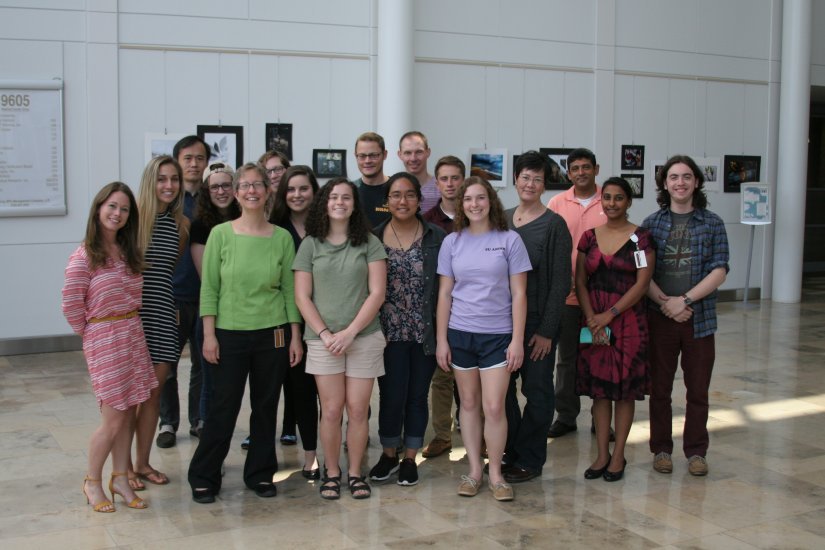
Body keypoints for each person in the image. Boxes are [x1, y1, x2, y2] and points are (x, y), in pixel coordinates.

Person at [188, 162, 302, 503]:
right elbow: (210, 288)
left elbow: (289, 290)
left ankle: (260, 473)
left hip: (273, 334)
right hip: (229, 334)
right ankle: (204, 475)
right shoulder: (220, 235)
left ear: (268, 191)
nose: (252, 191)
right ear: (236, 193)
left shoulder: (282, 238)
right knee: (223, 407)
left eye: (258, 185)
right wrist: (209, 335)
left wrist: (295, 335)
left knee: (266, 407)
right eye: (245, 185)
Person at [436, 176, 531, 502]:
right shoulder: (452, 242)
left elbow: (519, 294)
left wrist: (517, 340)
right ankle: (475, 471)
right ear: (460, 205)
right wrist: (442, 340)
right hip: (460, 334)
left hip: (497, 337)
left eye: (480, 198)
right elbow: (444, 294)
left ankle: (496, 475)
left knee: (493, 406)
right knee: (469, 404)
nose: (474, 204)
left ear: (491, 201)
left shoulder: (509, 240)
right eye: (467, 199)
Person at [62, 182, 155, 513]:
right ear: (99, 209)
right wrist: (93, 337)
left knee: (128, 413)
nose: (118, 213)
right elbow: (71, 306)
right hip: (105, 338)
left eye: (124, 209)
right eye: (112, 206)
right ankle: (92, 481)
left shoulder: (126, 251)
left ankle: (120, 478)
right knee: (113, 419)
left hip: (132, 333)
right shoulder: (84, 256)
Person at [293, 177, 387, 500]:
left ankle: (356, 473)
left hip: (364, 337)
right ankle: (332, 473)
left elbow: (377, 293)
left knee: (358, 411)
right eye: (333, 197)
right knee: (331, 411)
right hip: (323, 341)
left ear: (354, 204)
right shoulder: (310, 244)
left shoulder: (370, 243)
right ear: (324, 203)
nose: (340, 202)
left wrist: (349, 333)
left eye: (346, 197)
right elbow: (302, 297)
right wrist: (325, 333)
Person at [642, 155, 729, 477]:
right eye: (674, 177)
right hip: (660, 317)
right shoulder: (651, 224)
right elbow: (642, 271)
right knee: (660, 389)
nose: (680, 182)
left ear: (696, 182)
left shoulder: (713, 223)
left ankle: (696, 452)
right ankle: (661, 449)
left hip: (699, 318)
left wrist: (685, 300)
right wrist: (665, 302)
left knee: (698, 390)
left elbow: (719, 270)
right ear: (665, 184)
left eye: (687, 177)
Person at [369, 172, 446, 486]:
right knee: (390, 395)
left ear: (419, 199)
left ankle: (411, 458)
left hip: (424, 331)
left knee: (417, 396)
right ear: (387, 201)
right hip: (387, 333)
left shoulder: (437, 236)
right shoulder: (373, 237)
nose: (403, 201)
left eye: (410, 194)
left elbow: (446, 288)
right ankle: (389, 454)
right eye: (396, 195)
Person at [576, 177, 654, 482]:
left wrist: (610, 314)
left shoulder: (641, 239)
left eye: (618, 198)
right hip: (594, 322)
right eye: (607, 197)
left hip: (628, 322)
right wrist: (591, 318)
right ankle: (601, 455)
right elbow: (580, 281)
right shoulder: (588, 237)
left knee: (624, 392)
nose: (611, 203)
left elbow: (642, 284)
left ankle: (618, 454)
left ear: (628, 202)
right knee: (599, 392)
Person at [503, 151, 572, 483]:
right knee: (501, 392)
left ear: (545, 185)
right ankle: (510, 450)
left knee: (538, 391)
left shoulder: (554, 225)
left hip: (537, 325)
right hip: (501, 322)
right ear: (515, 179)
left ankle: (530, 459)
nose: (530, 184)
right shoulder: (501, 219)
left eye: (537, 179)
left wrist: (546, 330)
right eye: (525, 177)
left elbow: (561, 282)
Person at [132, 155, 189, 487]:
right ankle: (123, 468)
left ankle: (142, 464)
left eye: (174, 179)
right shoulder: (132, 218)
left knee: (154, 393)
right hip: (132, 316)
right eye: (162, 179)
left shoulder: (181, 224)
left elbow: (168, 271)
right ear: (150, 181)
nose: (169, 185)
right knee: (129, 400)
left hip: (163, 314)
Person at [546, 148, 606, 438]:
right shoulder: (557, 203)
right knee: (567, 358)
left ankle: (601, 417)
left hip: (602, 299)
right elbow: (550, 247)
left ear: (596, 169)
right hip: (567, 296)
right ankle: (566, 415)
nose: (581, 172)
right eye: (575, 168)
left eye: (586, 167)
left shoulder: (609, 199)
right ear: (568, 173)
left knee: (600, 355)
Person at [157, 135, 211, 450]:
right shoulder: (167, 200)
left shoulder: (211, 198)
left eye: (199, 158)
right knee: (167, 363)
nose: (194, 164)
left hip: (205, 296)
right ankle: (167, 422)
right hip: (173, 296)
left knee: (203, 364)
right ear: (178, 160)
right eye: (188, 158)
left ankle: (199, 419)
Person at [269, 165, 322, 479]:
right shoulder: (274, 229)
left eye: (304, 188)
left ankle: (332, 448)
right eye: (291, 189)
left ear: (314, 191)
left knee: (329, 394)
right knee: (300, 391)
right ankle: (310, 456)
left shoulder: (327, 226)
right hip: (287, 322)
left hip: (327, 320)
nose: (297, 195)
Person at [189, 162, 240, 429]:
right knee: (211, 379)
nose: (221, 191)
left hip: (244, 313)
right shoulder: (201, 225)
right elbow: (207, 277)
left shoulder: (247, 218)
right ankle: (206, 428)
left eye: (226, 185)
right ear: (207, 192)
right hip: (214, 311)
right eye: (215, 187)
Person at [421, 155, 465, 458]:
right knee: (442, 375)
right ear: (437, 184)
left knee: (473, 376)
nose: (450, 184)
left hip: (474, 306)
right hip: (441, 306)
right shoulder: (428, 221)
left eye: (455, 178)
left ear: (463, 180)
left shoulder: (476, 215)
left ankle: (479, 434)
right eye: (444, 179)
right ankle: (442, 435)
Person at [353, 132, 390, 227]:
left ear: (384, 155)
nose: (367, 161)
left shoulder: (396, 189)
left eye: (373, 155)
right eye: (362, 156)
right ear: (356, 156)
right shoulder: (350, 191)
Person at [398, 131, 439, 213]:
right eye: (408, 153)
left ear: (428, 152)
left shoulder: (441, 188)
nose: (413, 158)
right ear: (400, 155)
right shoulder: (393, 189)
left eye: (419, 152)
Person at [260, 149, 291, 218]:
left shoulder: (296, 199)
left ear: (288, 170)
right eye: (268, 172)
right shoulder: (258, 206)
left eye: (278, 169)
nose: (273, 176)